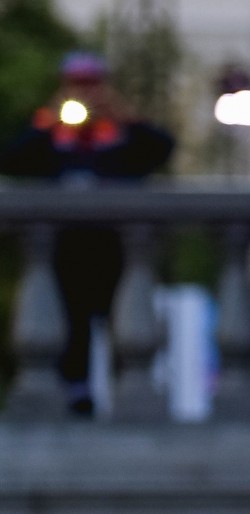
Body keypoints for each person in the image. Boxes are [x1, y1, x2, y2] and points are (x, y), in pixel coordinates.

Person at [0, 51, 174, 416]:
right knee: (69, 324)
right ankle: (76, 396)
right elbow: (15, 160)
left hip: (116, 247)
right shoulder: (53, 131)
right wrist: (48, 121)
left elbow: (160, 150)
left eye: (91, 83)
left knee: (123, 323)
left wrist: (124, 116)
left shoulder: (118, 131)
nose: (85, 92)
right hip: (66, 249)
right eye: (78, 83)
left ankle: (129, 397)